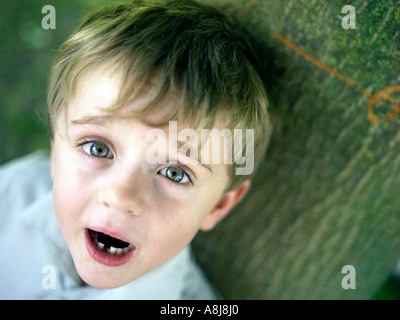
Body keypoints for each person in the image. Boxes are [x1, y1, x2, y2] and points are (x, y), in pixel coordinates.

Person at [0, 0, 272, 299]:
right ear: (55, 153)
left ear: (219, 205)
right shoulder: (12, 194)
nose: (120, 196)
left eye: (174, 172)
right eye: (98, 149)